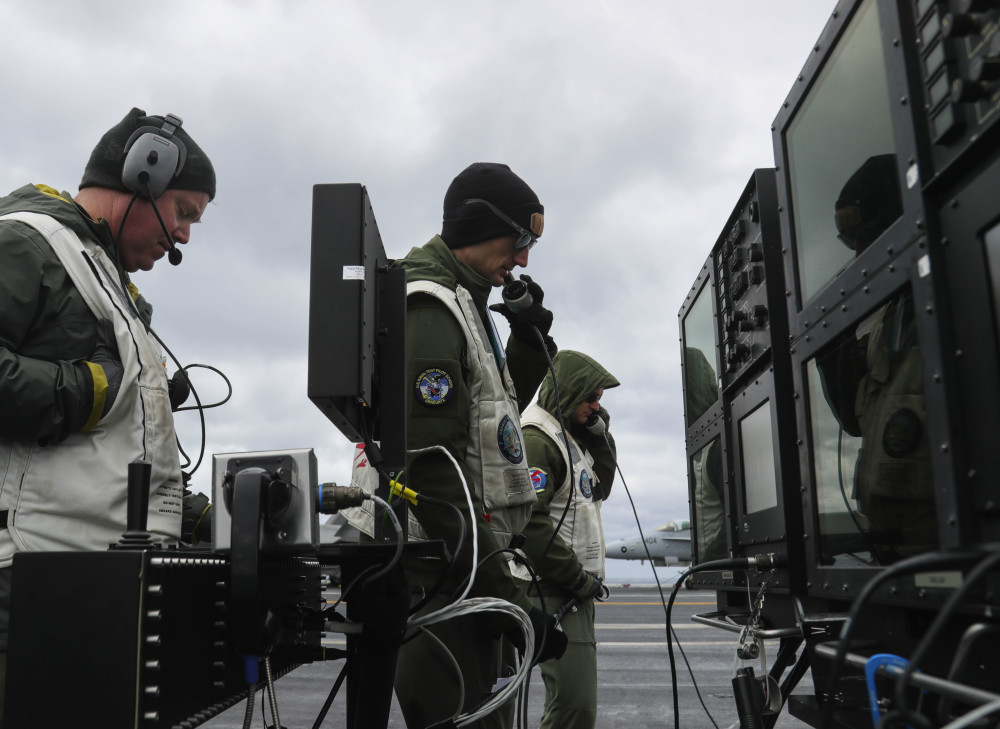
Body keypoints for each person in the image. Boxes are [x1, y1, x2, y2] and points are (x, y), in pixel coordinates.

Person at [0, 107, 216, 724]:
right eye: (183, 212)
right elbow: (94, 397)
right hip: (29, 585)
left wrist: (193, 513)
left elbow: (111, 452)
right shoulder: (25, 243)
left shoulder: (108, 286)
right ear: (144, 174)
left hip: (93, 585)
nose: (184, 236)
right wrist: (83, 390)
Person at [343, 162, 567, 728]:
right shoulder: (431, 307)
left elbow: (494, 423)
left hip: (456, 565)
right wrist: (506, 598)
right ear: (478, 227)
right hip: (436, 569)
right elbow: (431, 472)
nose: (523, 260)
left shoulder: (465, 305)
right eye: (518, 241)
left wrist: (527, 340)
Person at [511, 350, 619, 729]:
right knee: (574, 707)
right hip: (552, 587)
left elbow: (599, 488)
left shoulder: (567, 439)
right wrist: (575, 577)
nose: (596, 406)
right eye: (590, 398)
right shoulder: (538, 440)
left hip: (571, 589)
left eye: (599, 400)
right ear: (569, 392)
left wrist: (599, 437)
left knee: (576, 706)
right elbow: (529, 522)